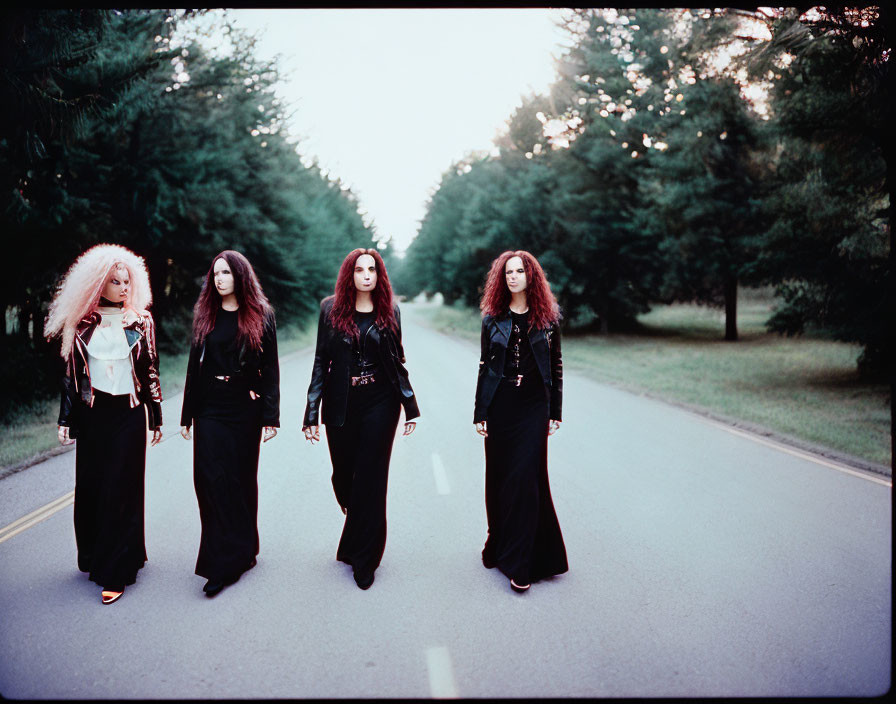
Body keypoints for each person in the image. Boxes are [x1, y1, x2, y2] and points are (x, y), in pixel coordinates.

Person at [46, 243, 163, 605]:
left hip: (129, 415)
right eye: (115, 281)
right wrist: (67, 419)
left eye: (127, 281)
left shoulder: (140, 321)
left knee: (121, 488)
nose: (123, 288)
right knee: (94, 487)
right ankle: (100, 554)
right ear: (99, 283)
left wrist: (156, 415)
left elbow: (150, 370)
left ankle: (117, 571)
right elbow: (71, 376)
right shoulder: (80, 323)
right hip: (94, 417)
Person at [302, 248, 419, 590]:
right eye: (360, 269)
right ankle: (355, 526)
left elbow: (397, 362)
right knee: (344, 479)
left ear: (379, 275)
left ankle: (366, 559)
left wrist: (410, 406)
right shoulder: (330, 309)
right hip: (342, 402)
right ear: (349, 275)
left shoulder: (390, 311)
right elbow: (321, 361)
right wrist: (311, 412)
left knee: (371, 478)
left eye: (372, 269)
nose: (366, 274)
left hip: (381, 403)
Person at [180, 250, 280, 597]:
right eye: (215, 273)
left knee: (239, 481)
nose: (219, 279)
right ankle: (220, 563)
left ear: (240, 276)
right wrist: (187, 414)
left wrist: (271, 415)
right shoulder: (205, 315)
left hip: (244, 409)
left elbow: (270, 370)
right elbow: (194, 367)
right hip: (209, 408)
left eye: (225, 273)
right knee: (209, 480)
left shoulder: (261, 316)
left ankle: (244, 550)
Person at [474, 250, 568, 593]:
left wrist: (555, 410)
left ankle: (521, 562)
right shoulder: (492, 319)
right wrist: (480, 412)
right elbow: (485, 367)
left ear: (531, 276)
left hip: (532, 406)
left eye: (519, 271)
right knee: (499, 479)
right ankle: (496, 541)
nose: (513, 276)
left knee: (526, 480)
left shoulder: (548, 319)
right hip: (501, 406)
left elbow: (555, 366)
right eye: (508, 272)